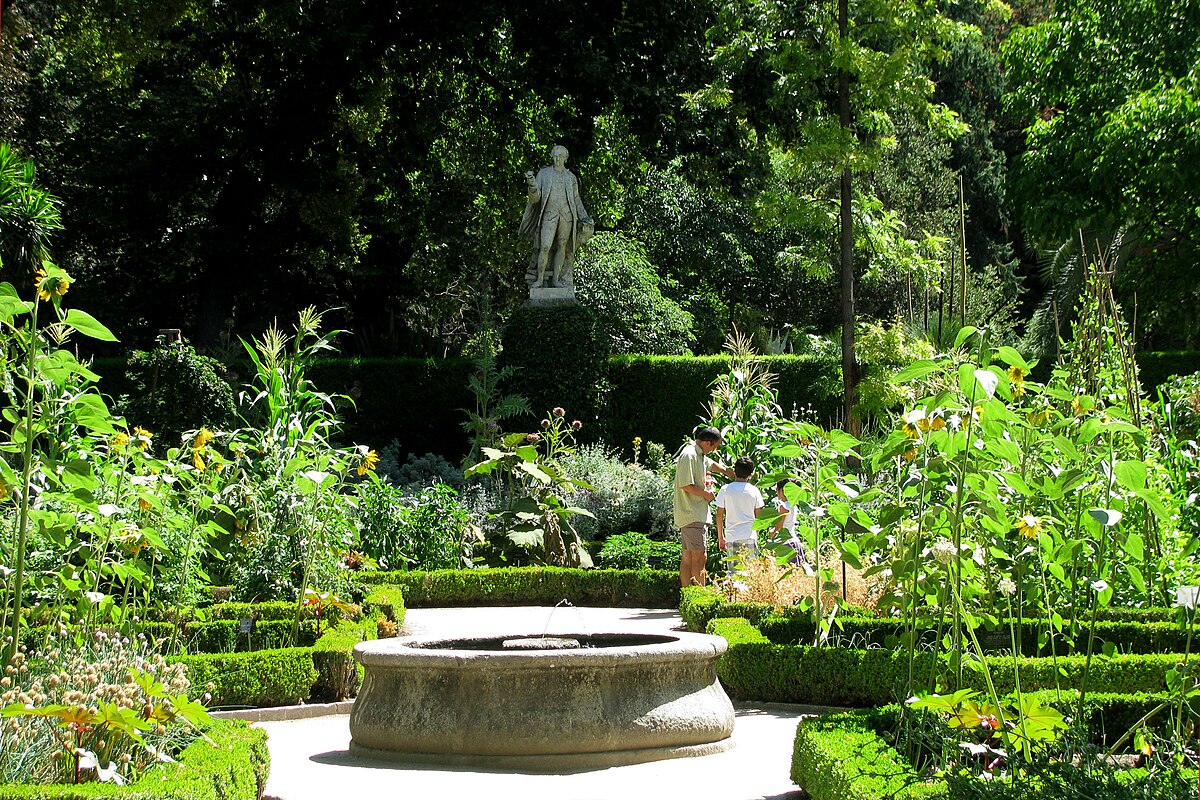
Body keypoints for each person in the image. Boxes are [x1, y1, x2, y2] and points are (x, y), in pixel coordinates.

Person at [518, 144, 594, 289]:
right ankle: (539, 280)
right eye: (555, 156)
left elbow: (576, 200)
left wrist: (584, 217)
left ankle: (556, 280)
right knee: (545, 247)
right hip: (549, 215)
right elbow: (535, 199)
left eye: (560, 156)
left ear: (565, 158)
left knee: (562, 248)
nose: (557, 159)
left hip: (566, 217)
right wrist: (532, 186)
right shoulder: (544, 174)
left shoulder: (571, 178)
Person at [673, 426, 734, 587]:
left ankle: (688, 596)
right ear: (707, 442)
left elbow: (711, 464)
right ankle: (699, 596)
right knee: (700, 557)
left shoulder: (698, 454)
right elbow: (686, 485)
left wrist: (729, 472)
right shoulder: (689, 455)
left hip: (691, 515)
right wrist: (706, 494)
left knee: (688, 557)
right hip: (692, 513)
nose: (715, 450)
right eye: (714, 446)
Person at [715, 457, 765, 564]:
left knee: (735, 576)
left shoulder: (725, 490)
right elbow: (759, 516)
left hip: (732, 537)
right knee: (751, 574)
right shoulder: (754, 491)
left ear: (734, 472)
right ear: (751, 474)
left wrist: (721, 537)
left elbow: (719, 514)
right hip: (749, 536)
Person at [772, 479, 809, 568]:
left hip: (785, 543)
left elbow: (780, 525)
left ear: (782, 491)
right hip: (794, 541)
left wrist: (772, 533)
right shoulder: (793, 505)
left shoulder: (783, 506)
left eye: (777, 490)